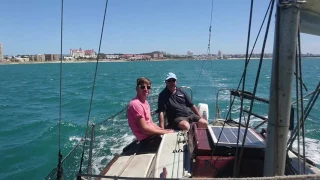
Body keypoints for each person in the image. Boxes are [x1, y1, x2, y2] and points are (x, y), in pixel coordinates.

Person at [127, 77, 174, 144]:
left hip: (152, 135)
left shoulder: (145, 102)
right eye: (142, 87)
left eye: (148, 87)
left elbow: (151, 123)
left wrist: (163, 130)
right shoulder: (136, 104)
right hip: (146, 140)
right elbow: (144, 129)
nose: (146, 89)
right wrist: (165, 132)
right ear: (137, 89)